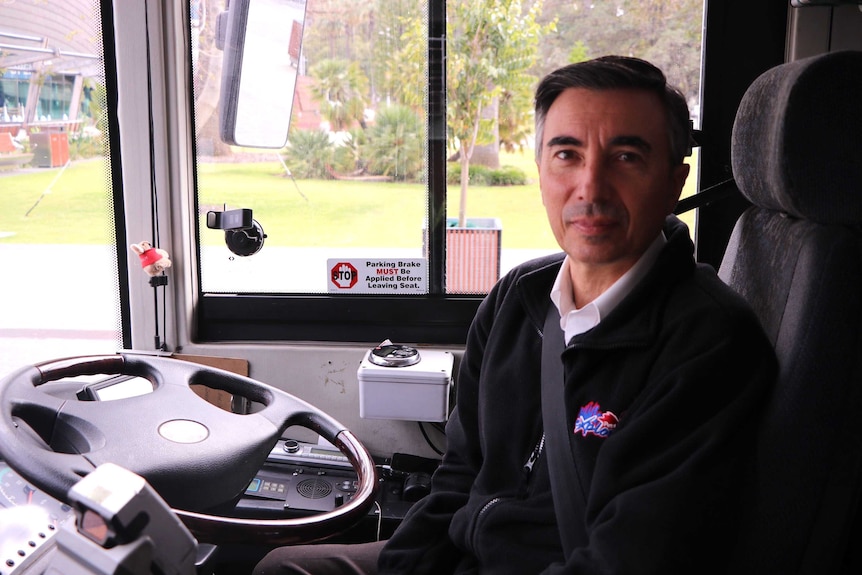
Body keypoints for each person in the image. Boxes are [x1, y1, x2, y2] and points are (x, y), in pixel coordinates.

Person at [254, 55, 776, 575]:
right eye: (566, 154)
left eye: (626, 157)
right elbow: (457, 478)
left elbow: (631, 558)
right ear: (542, 172)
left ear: (673, 181)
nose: (589, 188)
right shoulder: (516, 299)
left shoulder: (710, 343)